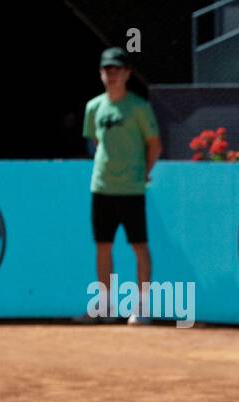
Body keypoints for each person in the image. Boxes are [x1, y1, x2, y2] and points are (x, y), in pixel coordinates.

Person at [83, 48, 161, 325]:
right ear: (101, 74)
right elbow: (95, 142)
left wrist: (143, 173)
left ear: (128, 73)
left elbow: (154, 144)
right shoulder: (93, 108)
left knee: (139, 246)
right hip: (101, 188)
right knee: (103, 246)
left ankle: (141, 309)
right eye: (107, 70)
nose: (112, 75)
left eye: (117, 70)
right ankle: (104, 309)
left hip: (131, 190)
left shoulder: (139, 108)